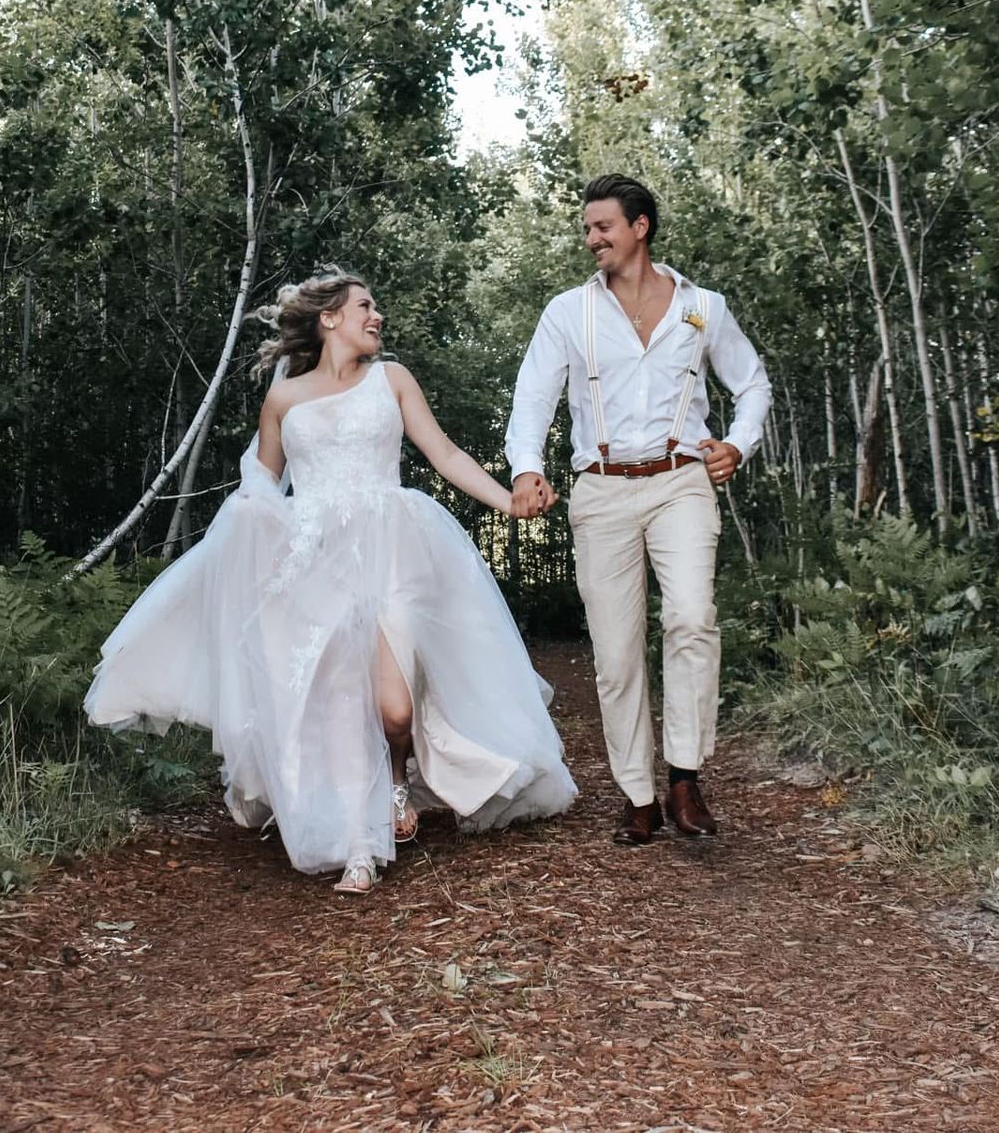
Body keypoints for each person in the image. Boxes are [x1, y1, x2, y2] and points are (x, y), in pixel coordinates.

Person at [86, 267, 577, 894]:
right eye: (365, 305)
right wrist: (256, 538)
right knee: (339, 705)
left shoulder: (392, 380)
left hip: (393, 549)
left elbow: (445, 454)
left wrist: (508, 501)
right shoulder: (284, 400)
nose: (377, 316)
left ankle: (397, 780)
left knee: (394, 711)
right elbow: (262, 486)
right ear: (330, 318)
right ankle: (358, 845)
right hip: (315, 562)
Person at [506, 174, 770, 846]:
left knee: (691, 617)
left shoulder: (703, 307)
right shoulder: (568, 312)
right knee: (618, 655)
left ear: (639, 227)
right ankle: (638, 795)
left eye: (603, 227)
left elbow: (752, 383)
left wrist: (737, 444)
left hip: (681, 481)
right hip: (602, 490)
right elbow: (533, 397)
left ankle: (684, 777)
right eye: (588, 229)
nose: (591, 239)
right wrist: (527, 467)